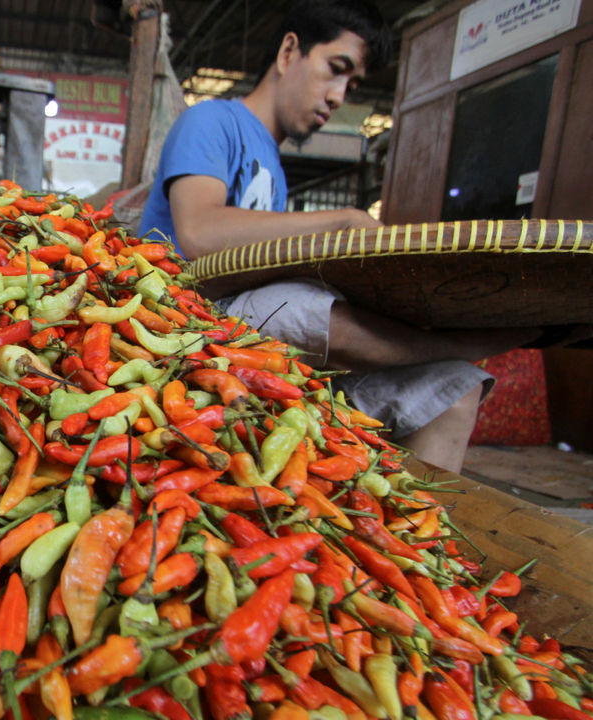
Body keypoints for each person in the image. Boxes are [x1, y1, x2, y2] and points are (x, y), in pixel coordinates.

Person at [138, 0, 547, 472]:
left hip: (252, 351)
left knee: (454, 390)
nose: (338, 96)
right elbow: (199, 233)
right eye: (337, 69)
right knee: (294, 303)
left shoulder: (273, 167)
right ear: (290, 51)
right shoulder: (211, 121)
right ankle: (454, 343)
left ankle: (419, 539)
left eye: (351, 84)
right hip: (190, 320)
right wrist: (344, 221)